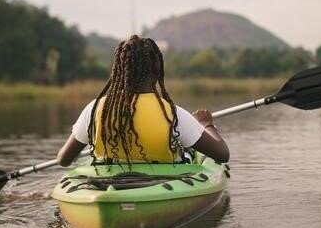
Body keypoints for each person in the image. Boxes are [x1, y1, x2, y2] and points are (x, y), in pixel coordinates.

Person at [56, 35, 229, 167]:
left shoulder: (94, 110)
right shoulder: (173, 115)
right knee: (189, 151)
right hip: (161, 184)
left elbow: (63, 160)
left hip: (106, 182)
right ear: (157, 70)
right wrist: (206, 124)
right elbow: (222, 155)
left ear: (119, 71)